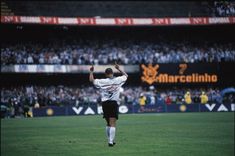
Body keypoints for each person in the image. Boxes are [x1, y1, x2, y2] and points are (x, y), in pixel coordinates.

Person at [89, 62, 128, 147]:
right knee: (113, 123)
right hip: (113, 103)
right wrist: (119, 69)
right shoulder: (118, 80)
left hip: (105, 103)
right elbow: (126, 76)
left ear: (106, 74)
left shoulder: (102, 81)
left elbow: (91, 80)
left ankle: (109, 139)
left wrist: (91, 71)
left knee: (108, 123)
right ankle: (111, 141)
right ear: (112, 73)